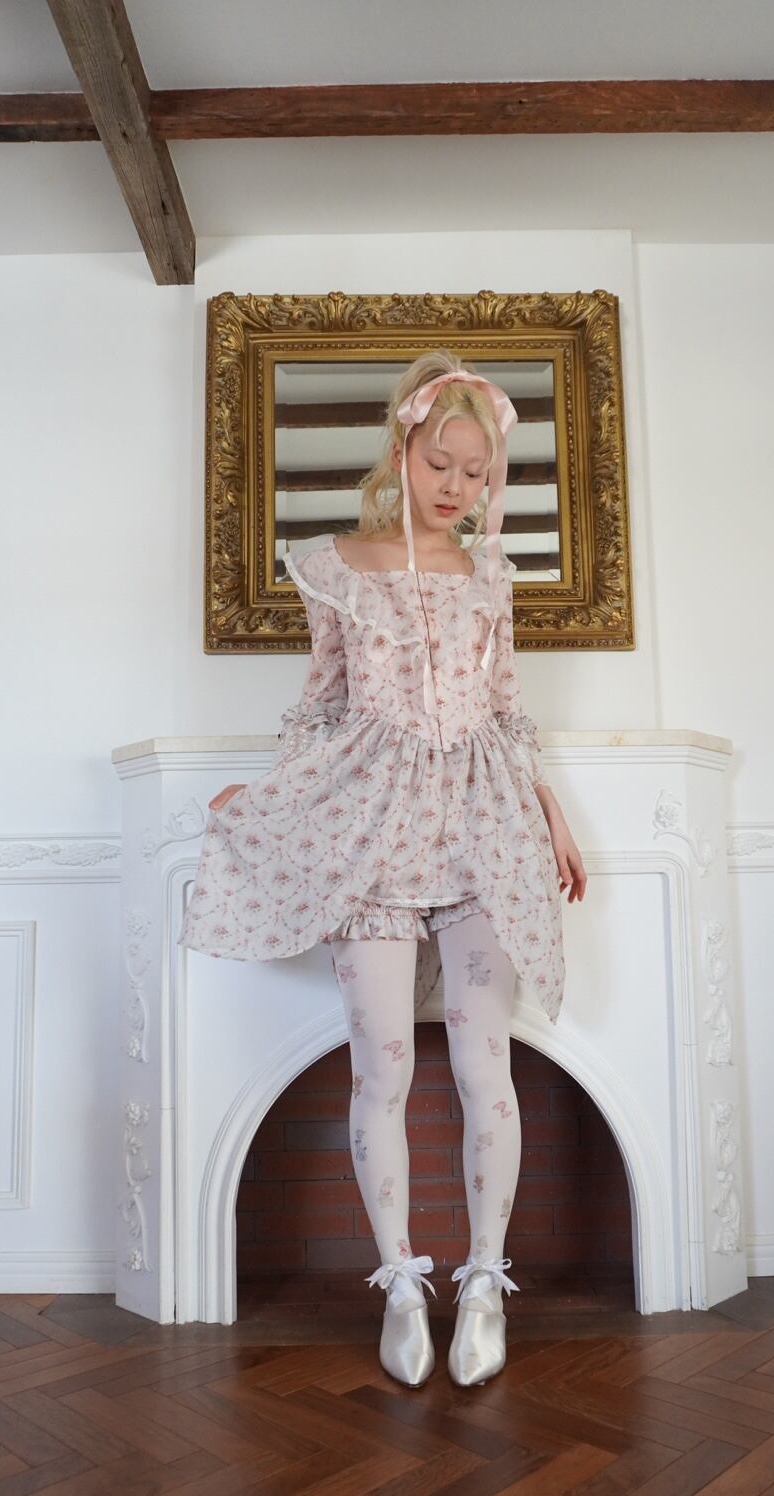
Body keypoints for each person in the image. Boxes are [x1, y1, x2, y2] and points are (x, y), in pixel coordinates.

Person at [178, 350, 586, 1387]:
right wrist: (271, 796)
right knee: (384, 1071)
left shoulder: (490, 576)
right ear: (402, 449)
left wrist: (549, 808)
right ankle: (403, 1286)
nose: (456, 487)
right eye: (441, 463)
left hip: (484, 826)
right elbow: (320, 706)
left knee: (485, 1065)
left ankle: (484, 1283)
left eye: (476, 473)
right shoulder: (335, 567)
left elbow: (507, 710)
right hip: (368, 831)